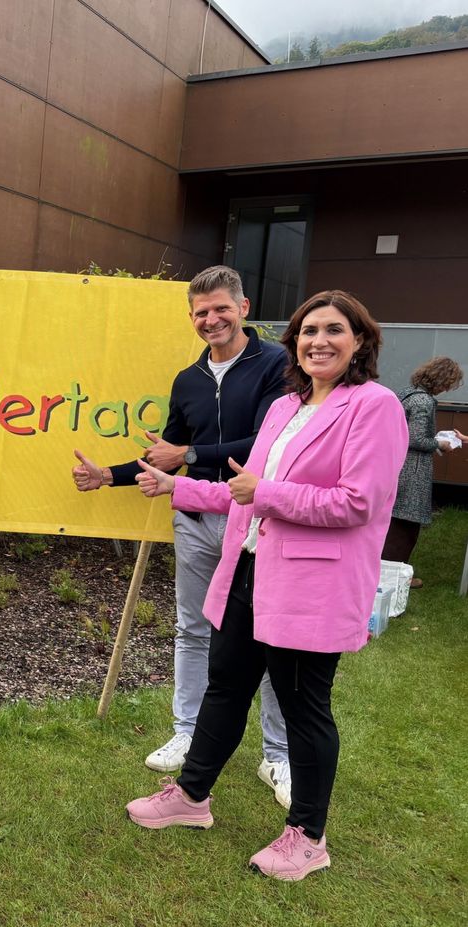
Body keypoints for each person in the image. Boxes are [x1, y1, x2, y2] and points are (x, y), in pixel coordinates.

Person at [125, 290, 406, 881]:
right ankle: (191, 797)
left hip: (312, 588)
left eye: (333, 330)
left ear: (360, 340)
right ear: (294, 343)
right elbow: (243, 489)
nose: (318, 341)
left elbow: (359, 502)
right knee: (225, 688)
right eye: (307, 331)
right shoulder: (286, 405)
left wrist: (267, 494)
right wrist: (176, 488)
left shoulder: (374, 406)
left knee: (305, 710)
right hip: (251, 573)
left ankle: (308, 837)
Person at [71, 265, 292, 806]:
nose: (211, 319)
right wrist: (109, 476)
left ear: (243, 307)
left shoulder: (277, 365)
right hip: (195, 518)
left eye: (220, 308)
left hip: (257, 522)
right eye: (200, 313)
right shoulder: (187, 380)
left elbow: (266, 442)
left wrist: (189, 457)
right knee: (192, 629)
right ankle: (187, 732)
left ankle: (278, 755)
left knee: (270, 634)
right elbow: (165, 449)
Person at [382, 357, 465, 587]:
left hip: (395, 465)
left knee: (391, 520)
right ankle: (395, 577)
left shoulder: (406, 393)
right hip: (412, 471)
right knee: (405, 526)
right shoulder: (423, 401)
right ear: (441, 380)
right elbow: (415, 438)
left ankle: (383, 571)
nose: (448, 388)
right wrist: (440, 444)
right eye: (449, 383)